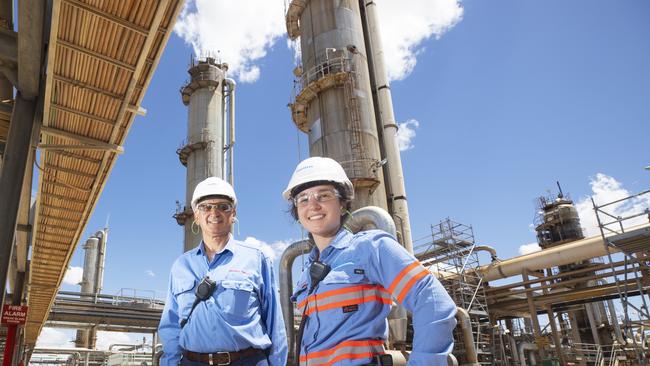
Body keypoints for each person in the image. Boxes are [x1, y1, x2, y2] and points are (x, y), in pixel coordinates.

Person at [284, 157, 457, 366]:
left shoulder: (370, 248)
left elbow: (433, 301)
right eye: (303, 199)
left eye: (324, 195)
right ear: (297, 211)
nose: (313, 205)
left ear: (342, 204)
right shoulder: (307, 273)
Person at [159, 177, 288, 366]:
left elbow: (275, 324)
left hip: (248, 361)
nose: (214, 212)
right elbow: (170, 326)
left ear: (233, 213)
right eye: (205, 207)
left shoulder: (256, 259)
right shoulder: (181, 266)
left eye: (223, 206)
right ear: (196, 215)